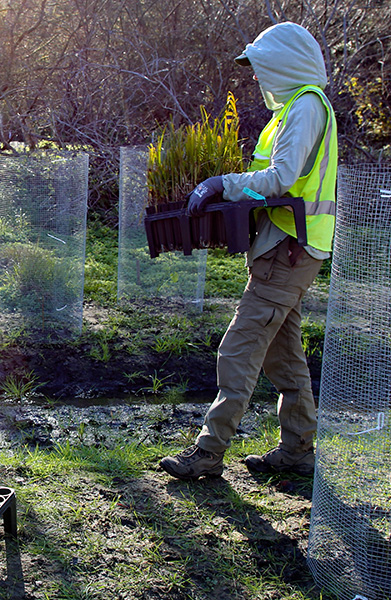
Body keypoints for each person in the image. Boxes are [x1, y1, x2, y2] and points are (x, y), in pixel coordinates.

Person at [159, 22, 338, 480]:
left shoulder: (306, 108)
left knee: (237, 350)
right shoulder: (295, 110)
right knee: (284, 356)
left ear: (284, 65)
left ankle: (208, 452)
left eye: (260, 68)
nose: (255, 79)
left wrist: (224, 184)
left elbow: (280, 178)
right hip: (284, 246)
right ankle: (298, 451)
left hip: (289, 251)